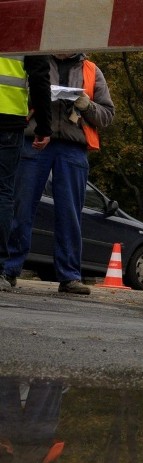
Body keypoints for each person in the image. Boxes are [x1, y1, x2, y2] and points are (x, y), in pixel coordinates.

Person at [3, 53, 114, 295]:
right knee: (20, 208)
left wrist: (86, 104)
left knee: (70, 213)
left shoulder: (92, 70)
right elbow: (16, 97)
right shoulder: (36, 60)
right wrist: (42, 97)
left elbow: (107, 115)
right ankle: (9, 269)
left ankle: (69, 276)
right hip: (34, 140)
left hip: (73, 148)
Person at [0, 55, 52, 291]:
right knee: (3, 193)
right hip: (9, 121)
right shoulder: (27, 25)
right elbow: (39, 78)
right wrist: (43, 126)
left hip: (10, 123)